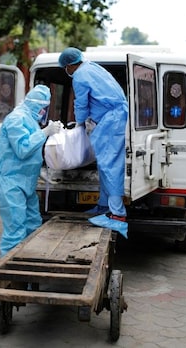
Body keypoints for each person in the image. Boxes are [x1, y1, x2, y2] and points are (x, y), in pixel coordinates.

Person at [59, 47, 129, 238]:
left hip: (111, 121)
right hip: (112, 118)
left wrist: (79, 125)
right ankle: (104, 206)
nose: (67, 71)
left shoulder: (80, 76)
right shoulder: (93, 67)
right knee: (105, 166)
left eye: (65, 68)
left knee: (110, 166)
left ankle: (118, 216)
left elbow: (81, 103)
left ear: (70, 65)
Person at [0, 85, 62, 256]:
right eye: (43, 108)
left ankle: (30, 267)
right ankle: (11, 275)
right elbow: (23, 148)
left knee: (33, 225)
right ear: (37, 105)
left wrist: (41, 171)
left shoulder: (29, 119)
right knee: (15, 231)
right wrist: (45, 132)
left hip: (25, 182)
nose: (44, 112)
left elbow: (30, 154)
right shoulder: (16, 119)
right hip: (11, 183)